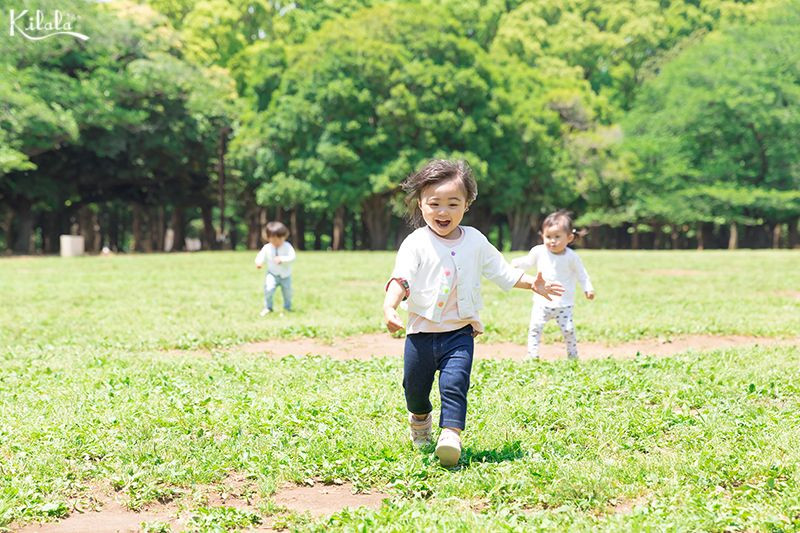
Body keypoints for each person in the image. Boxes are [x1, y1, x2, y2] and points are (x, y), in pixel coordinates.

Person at [383, 159, 564, 467]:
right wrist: (390, 305)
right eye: (434, 203)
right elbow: (402, 278)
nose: (443, 212)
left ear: (466, 205)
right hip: (421, 333)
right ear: (420, 204)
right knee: (414, 389)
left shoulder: (476, 241)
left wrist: (532, 283)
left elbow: (502, 271)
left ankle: (450, 435)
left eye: (453, 204)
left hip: (459, 333)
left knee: (455, 384)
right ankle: (420, 420)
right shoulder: (416, 243)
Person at [511, 210, 595, 360]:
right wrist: (515, 264)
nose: (552, 241)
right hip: (541, 302)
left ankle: (573, 356)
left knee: (568, 330)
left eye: (557, 237)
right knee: (535, 328)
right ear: (542, 236)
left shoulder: (572, 257)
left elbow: (582, 274)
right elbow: (528, 262)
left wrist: (588, 288)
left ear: (569, 238)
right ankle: (532, 355)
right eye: (548, 237)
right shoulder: (539, 251)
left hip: (564, 304)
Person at [255, 221, 296, 315]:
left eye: (280, 239)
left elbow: (292, 257)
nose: (277, 242)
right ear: (268, 237)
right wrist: (259, 262)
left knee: (287, 292)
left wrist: (282, 259)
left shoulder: (287, 246)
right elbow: (261, 256)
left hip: (286, 275)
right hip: (272, 274)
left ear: (284, 237)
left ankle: (287, 307)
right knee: (268, 289)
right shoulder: (267, 248)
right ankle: (268, 307)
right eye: (273, 240)